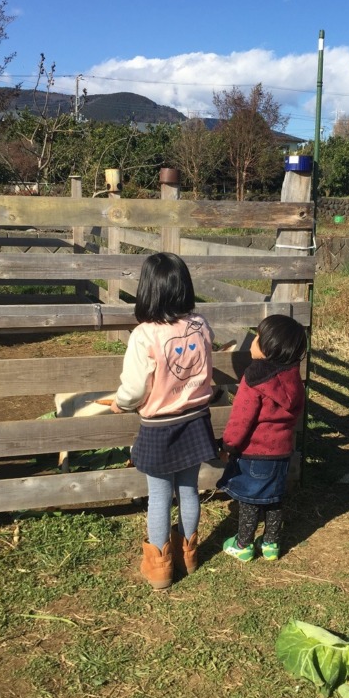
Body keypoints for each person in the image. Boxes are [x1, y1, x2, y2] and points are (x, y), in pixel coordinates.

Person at [110, 252, 217, 590]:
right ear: (184, 287)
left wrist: (120, 403)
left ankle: (159, 569)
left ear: (148, 290)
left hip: (160, 425)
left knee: (159, 496)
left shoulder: (144, 335)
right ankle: (188, 554)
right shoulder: (201, 325)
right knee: (188, 489)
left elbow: (135, 386)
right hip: (196, 418)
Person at [217, 314, 307, 562]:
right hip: (282, 450)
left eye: (257, 337)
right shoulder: (292, 375)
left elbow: (241, 417)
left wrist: (229, 445)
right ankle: (271, 543)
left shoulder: (255, 377)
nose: (253, 341)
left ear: (268, 347)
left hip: (255, 452)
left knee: (250, 499)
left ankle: (243, 544)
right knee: (274, 497)